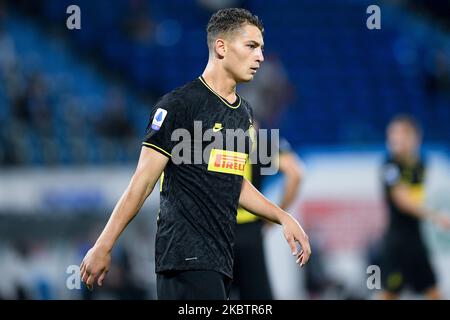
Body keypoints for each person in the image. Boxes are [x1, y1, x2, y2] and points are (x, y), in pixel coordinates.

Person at [80, 8, 311, 300]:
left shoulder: (242, 115)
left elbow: (232, 184)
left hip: (219, 260)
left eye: (262, 48)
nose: (261, 57)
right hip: (185, 257)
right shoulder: (178, 106)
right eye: (252, 46)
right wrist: (104, 244)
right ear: (221, 47)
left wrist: (283, 217)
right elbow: (143, 181)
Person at [379, 114, 450, 300]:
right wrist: (436, 216)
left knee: (434, 293)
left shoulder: (422, 164)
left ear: (414, 137)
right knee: (388, 294)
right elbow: (403, 201)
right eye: (392, 134)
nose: (395, 139)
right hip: (397, 244)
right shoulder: (389, 167)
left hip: (417, 242)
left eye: (400, 133)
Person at [232, 127, 304, 300]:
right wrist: (275, 216)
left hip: (215, 230)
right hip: (251, 231)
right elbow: (295, 173)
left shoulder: (209, 139)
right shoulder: (260, 141)